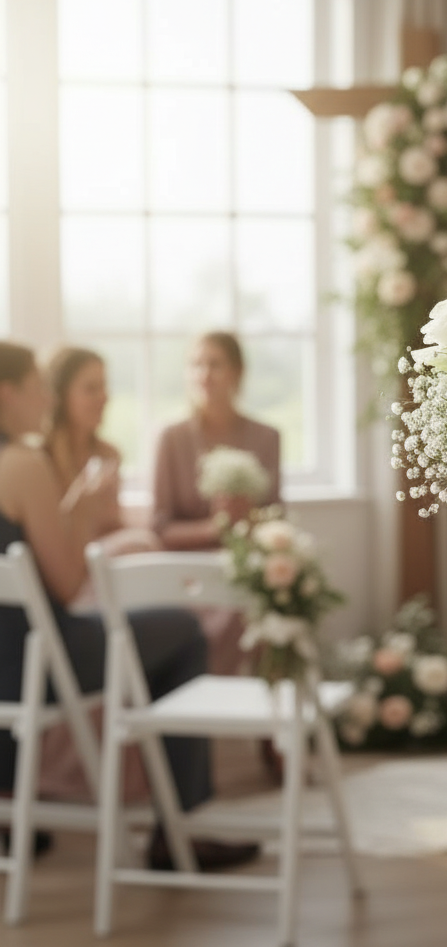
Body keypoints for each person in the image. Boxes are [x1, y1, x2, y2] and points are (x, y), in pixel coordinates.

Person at [0, 341, 258, 871]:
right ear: (8, 393)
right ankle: (177, 828)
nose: (44, 398)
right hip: (38, 662)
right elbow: (69, 583)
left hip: (8, 666)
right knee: (184, 629)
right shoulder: (21, 463)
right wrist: (83, 510)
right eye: (37, 387)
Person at [152, 331, 281, 552]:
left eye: (215, 365)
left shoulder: (267, 437)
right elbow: (159, 528)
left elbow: (277, 517)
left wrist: (248, 518)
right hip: (185, 569)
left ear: (237, 372)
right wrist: (214, 528)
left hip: (249, 564)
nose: (204, 375)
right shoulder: (171, 438)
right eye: (196, 365)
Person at [44, 346, 161, 563]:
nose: (104, 397)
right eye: (91, 388)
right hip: (63, 568)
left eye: (104, 386)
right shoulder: (40, 458)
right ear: (59, 395)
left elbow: (112, 525)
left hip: (101, 564)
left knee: (146, 544)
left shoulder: (109, 455)